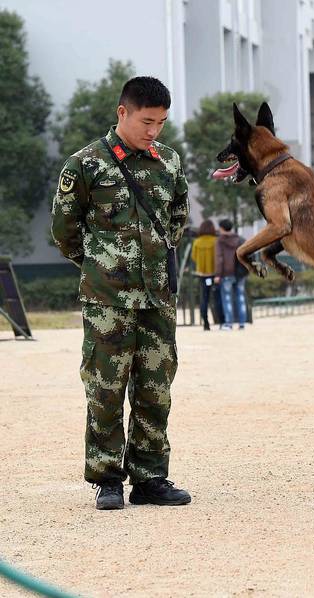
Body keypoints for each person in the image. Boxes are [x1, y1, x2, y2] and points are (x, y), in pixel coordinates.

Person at [50, 76, 192, 510]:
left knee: (155, 390)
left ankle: (150, 477)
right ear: (122, 113)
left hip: (157, 299)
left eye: (161, 123)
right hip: (107, 301)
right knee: (105, 389)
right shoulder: (85, 164)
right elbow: (64, 230)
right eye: (147, 121)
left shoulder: (168, 162)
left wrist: (151, 266)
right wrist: (99, 264)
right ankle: (107, 477)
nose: (153, 131)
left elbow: (177, 216)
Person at [214, 218, 247, 330]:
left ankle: (229, 324)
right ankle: (242, 323)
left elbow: (219, 259)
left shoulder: (220, 241)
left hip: (226, 273)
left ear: (222, 228)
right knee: (240, 297)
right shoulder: (240, 239)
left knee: (227, 298)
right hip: (240, 272)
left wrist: (217, 275)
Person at [191, 219, 217, 331]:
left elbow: (194, 257)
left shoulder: (197, 242)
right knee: (217, 296)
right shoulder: (216, 241)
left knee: (204, 298)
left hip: (202, 274)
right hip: (215, 274)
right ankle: (221, 320)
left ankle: (205, 322)